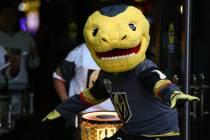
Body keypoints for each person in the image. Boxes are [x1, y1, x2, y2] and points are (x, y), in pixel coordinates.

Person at [43, 5, 199, 140]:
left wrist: (174, 95)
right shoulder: (106, 72)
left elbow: (159, 83)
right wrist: (62, 110)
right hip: (132, 130)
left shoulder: (142, 67)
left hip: (159, 132)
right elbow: (91, 95)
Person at [52, 43, 115, 139]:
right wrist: (66, 101)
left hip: (114, 120)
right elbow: (58, 77)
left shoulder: (124, 52)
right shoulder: (81, 51)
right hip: (82, 119)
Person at [0, 3, 40, 128]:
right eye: (5, 14)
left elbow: (35, 65)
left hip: (21, 91)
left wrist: (35, 55)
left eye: (12, 15)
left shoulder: (25, 37)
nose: (9, 18)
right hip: (1, 90)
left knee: (20, 127)